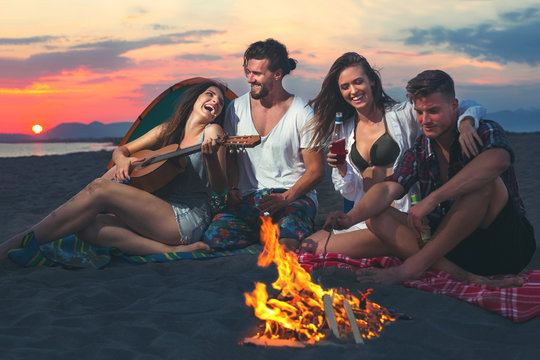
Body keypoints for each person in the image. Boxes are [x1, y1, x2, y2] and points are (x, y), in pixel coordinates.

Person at [323, 69, 536, 286]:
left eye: (433, 111)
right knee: (376, 215)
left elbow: (498, 160)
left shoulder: (480, 130)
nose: (425, 120)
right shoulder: (421, 149)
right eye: (419, 112)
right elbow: (390, 188)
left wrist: (433, 199)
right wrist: (352, 217)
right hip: (456, 250)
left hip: (505, 246)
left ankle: (411, 268)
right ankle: (465, 277)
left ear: (454, 106)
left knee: (483, 183)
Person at [0, 80, 228, 258]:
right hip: (159, 210)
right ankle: (165, 249)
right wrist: (122, 162)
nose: (216, 101)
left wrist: (210, 160)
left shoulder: (212, 132)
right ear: (194, 98)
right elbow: (121, 150)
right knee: (86, 227)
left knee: (100, 188)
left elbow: (219, 186)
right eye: (210, 94)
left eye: (220, 101)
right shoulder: (167, 130)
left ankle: (17, 243)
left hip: (186, 218)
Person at [301, 52, 486, 258]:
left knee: (315, 250)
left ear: (372, 81)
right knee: (308, 243)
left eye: (358, 82)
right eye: (345, 86)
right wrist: (343, 169)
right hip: (366, 215)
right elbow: (351, 193)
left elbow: (465, 106)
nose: (353, 91)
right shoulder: (345, 129)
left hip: (402, 215)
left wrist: (467, 122)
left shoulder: (401, 114)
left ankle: (411, 250)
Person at [202, 39, 325, 251]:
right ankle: (266, 232)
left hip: (292, 196)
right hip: (251, 199)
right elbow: (232, 155)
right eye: (248, 72)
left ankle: (280, 231)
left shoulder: (302, 112)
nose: (250, 79)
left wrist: (285, 199)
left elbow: (316, 171)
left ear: (277, 74)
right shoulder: (237, 108)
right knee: (214, 238)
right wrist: (232, 187)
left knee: (286, 245)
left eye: (257, 74)